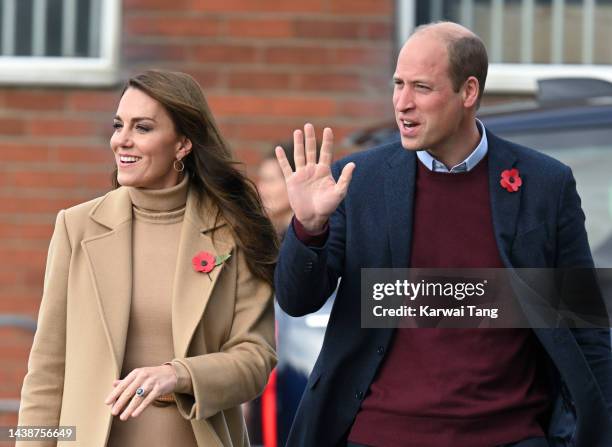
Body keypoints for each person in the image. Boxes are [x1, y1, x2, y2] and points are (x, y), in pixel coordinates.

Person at [274, 22, 612, 447]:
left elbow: (585, 332)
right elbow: (296, 299)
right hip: (379, 436)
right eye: (397, 84)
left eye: (421, 87)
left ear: (468, 92)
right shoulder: (360, 180)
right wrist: (308, 228)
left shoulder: (544, 184)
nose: (402, 103)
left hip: (507, 437)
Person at [17, 70, 277, 447]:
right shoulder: (76, 227)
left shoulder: (232, 232)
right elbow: (46, 373)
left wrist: (179, 375)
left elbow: (255, 360)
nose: (122, 140)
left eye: (142, 128)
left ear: (183, 143)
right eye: (118, 125)